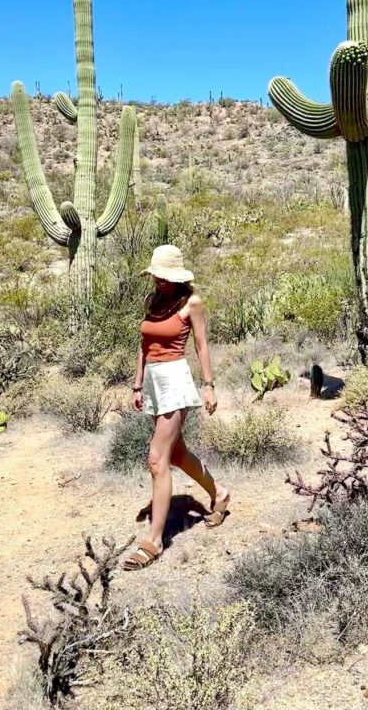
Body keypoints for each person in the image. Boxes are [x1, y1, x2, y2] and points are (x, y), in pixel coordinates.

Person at [122, 244, 230, 570]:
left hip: (175, 381)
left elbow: (201, 344)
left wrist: (209, 386)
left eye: (164, 277)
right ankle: (220, 493)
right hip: (154, 382)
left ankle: (154, 541)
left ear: (178, 276)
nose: (159, 282)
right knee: (177, 455)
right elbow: (144, 344)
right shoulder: (153, 300)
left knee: (157, 459)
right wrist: (138, 383)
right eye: (156, 276)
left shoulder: (191, 303)